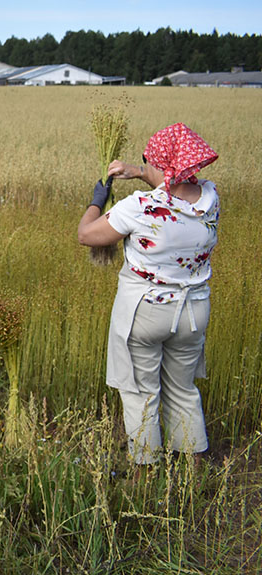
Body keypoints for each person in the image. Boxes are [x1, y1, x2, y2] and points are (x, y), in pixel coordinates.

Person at [77, 122, 219, 465]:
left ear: (162, 165)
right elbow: (172, 189)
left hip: (147, 310)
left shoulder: (140, 206)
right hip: (193, 310)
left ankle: (145, 473)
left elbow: (87, 235)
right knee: (183, 389)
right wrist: (139, 172)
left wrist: (97, 202)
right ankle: (193, 468)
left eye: (148, 161)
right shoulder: (210, 199)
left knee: (141, 392)